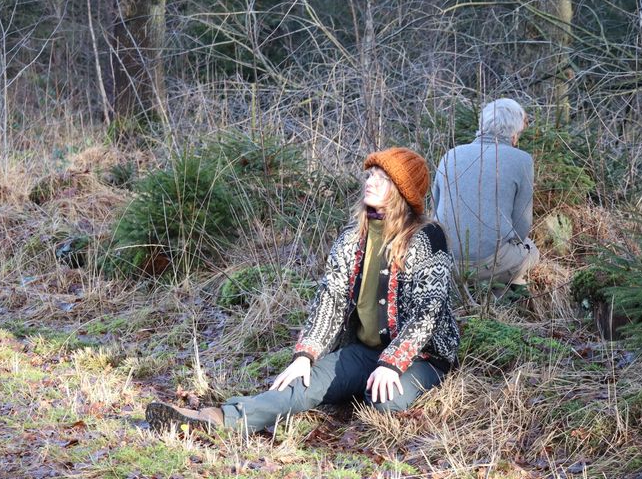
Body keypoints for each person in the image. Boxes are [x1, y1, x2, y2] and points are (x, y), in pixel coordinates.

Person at [146, 147, 459, 434]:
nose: (371, 182)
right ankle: (217, 419)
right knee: (302, 383)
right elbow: (330, 300)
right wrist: (306, 355)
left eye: (383, 178)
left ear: (403, 191)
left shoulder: (427, 238)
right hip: (364, 352)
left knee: (384, 403)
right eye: (370, 174)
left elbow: (427, 313)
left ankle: (362, 389)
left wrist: (392, 363)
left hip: (422, 358)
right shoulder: (352, 237)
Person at [432, 98, 538, 297]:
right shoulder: (522, 160)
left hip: (443, 263)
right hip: (487, 263)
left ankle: (478, 292)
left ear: (482, 124)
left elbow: (435, 213)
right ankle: (500, 294)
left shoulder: (450, 155)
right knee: (531, 250)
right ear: (515, 133)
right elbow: (521, 229)